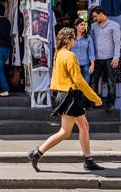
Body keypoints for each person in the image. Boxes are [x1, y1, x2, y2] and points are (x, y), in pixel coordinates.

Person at [27, 27, 104, 172]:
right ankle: (36, 153)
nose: (75, 41)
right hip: (69, 95)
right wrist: (94, 97)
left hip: (65, 94)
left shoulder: (59, 54)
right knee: (65, 131)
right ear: (68, 39)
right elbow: (78, 80)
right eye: (74, 38)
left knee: (84, 126)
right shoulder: (69, 55)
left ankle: (88, 160)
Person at [88, 7, 121, 112]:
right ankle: (94, 101)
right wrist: (91, 58)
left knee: (111, 81)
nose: (94, 18)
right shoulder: (93, 26)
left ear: (101, 14)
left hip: (109, 58)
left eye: (95, 16)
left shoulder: (114, 25)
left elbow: (117, 43)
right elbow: (90, 42)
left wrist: (116, 58)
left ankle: (110, 103)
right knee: (94, 81)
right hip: (96, 58)